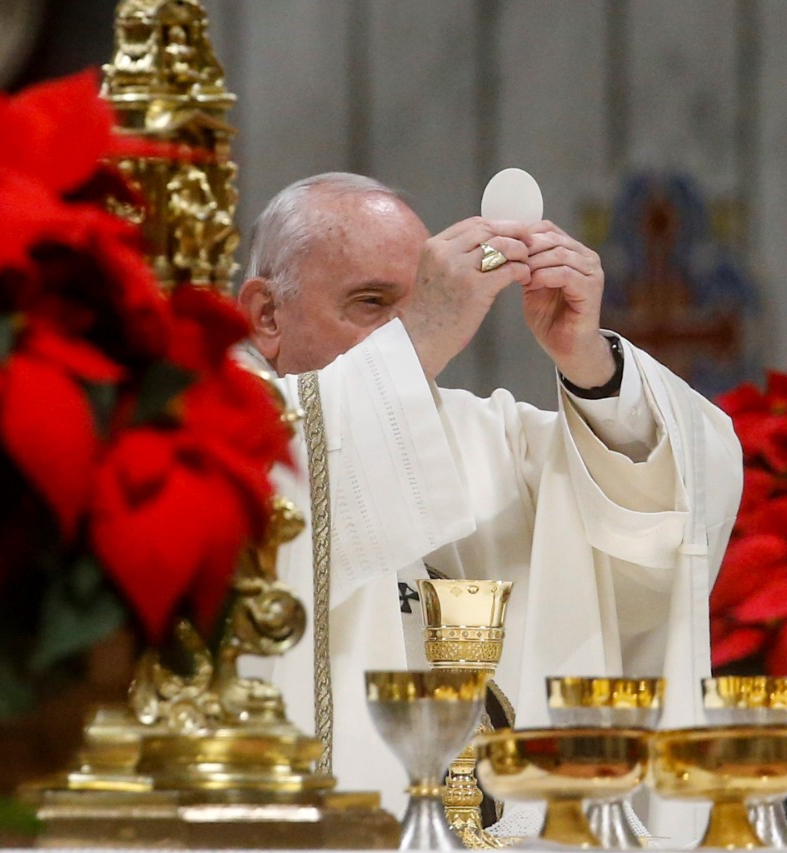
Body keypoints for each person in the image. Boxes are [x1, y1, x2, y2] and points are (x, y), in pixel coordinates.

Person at [234, 173, 742, 841]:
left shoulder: (484, 437)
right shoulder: (215, 441)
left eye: (423, 302)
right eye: (371, 303)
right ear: (266, 314)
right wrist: (415, 340)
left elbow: (668, 499)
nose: (409, 329)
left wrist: (588, 362)